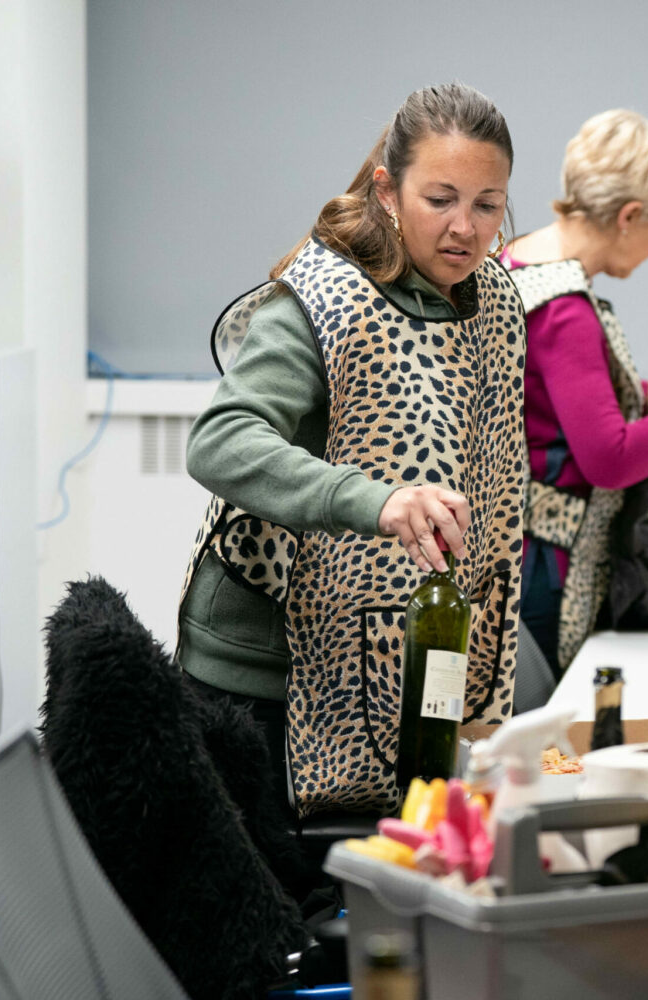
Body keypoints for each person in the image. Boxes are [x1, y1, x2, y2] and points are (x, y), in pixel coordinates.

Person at [176, 83, 525, 820]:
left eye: (487, 204)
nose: (465, 227)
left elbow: (497, 485)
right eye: (440, 199)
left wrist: (484, 682)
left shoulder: (493, 301)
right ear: (388, 192)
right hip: (264, 666)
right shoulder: (321, 297)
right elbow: (220, 441)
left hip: (393, 654)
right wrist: (377, 499)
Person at [502, 109, 648, 672]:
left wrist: (643, 395)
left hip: (508, 549)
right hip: (547, 569)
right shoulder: (567, 310)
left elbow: (547, 402)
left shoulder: (517, 257)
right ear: (630, 216)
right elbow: (610, 458)